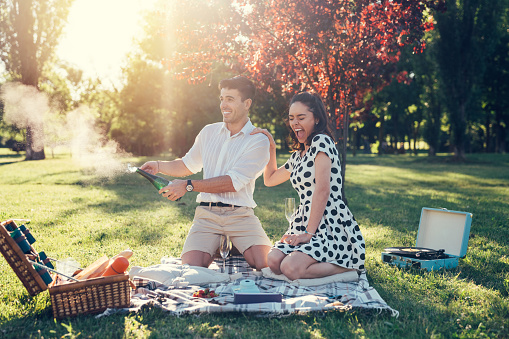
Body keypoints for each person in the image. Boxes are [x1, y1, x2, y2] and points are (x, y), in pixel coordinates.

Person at [140, 76, 272, 270]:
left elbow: (233, 182)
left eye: (230, 99)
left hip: (241, 217)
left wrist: (188, 185)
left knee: (265, 264)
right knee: (191, 267)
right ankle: (224, 244)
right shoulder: (208, 132)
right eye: (221, 99)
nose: (223, 105)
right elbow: (187, 164)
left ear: (247, 103)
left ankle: (232, 243)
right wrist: (158, 166)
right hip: (207, 216)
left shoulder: (258, 140)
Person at [251, 92, 365, 280]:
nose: (295, 123)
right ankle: (316, 261)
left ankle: (349, 267)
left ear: (316, 118)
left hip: (328, 223)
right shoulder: (298, 155)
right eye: (291, 118)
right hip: (303, 221)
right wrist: (271, 147)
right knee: (273, 261)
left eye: (301, 117)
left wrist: (308, 233)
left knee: (290, 268)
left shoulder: (322, 142)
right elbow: (269, 179)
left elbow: (322, 190)